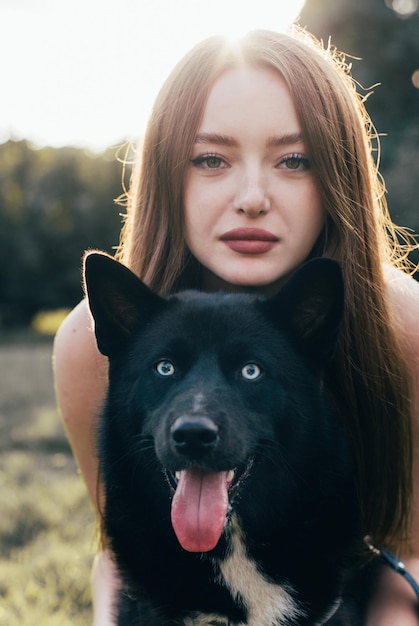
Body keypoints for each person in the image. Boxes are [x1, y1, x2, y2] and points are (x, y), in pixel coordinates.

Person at [53, 26, 419, 625]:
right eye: (212, 159)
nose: (252, 197)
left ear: (339, 176)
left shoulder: (399, 321)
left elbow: (411, 550)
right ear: (170, 174)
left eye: (294, 160)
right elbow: (120, 553)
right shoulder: (89, 341)